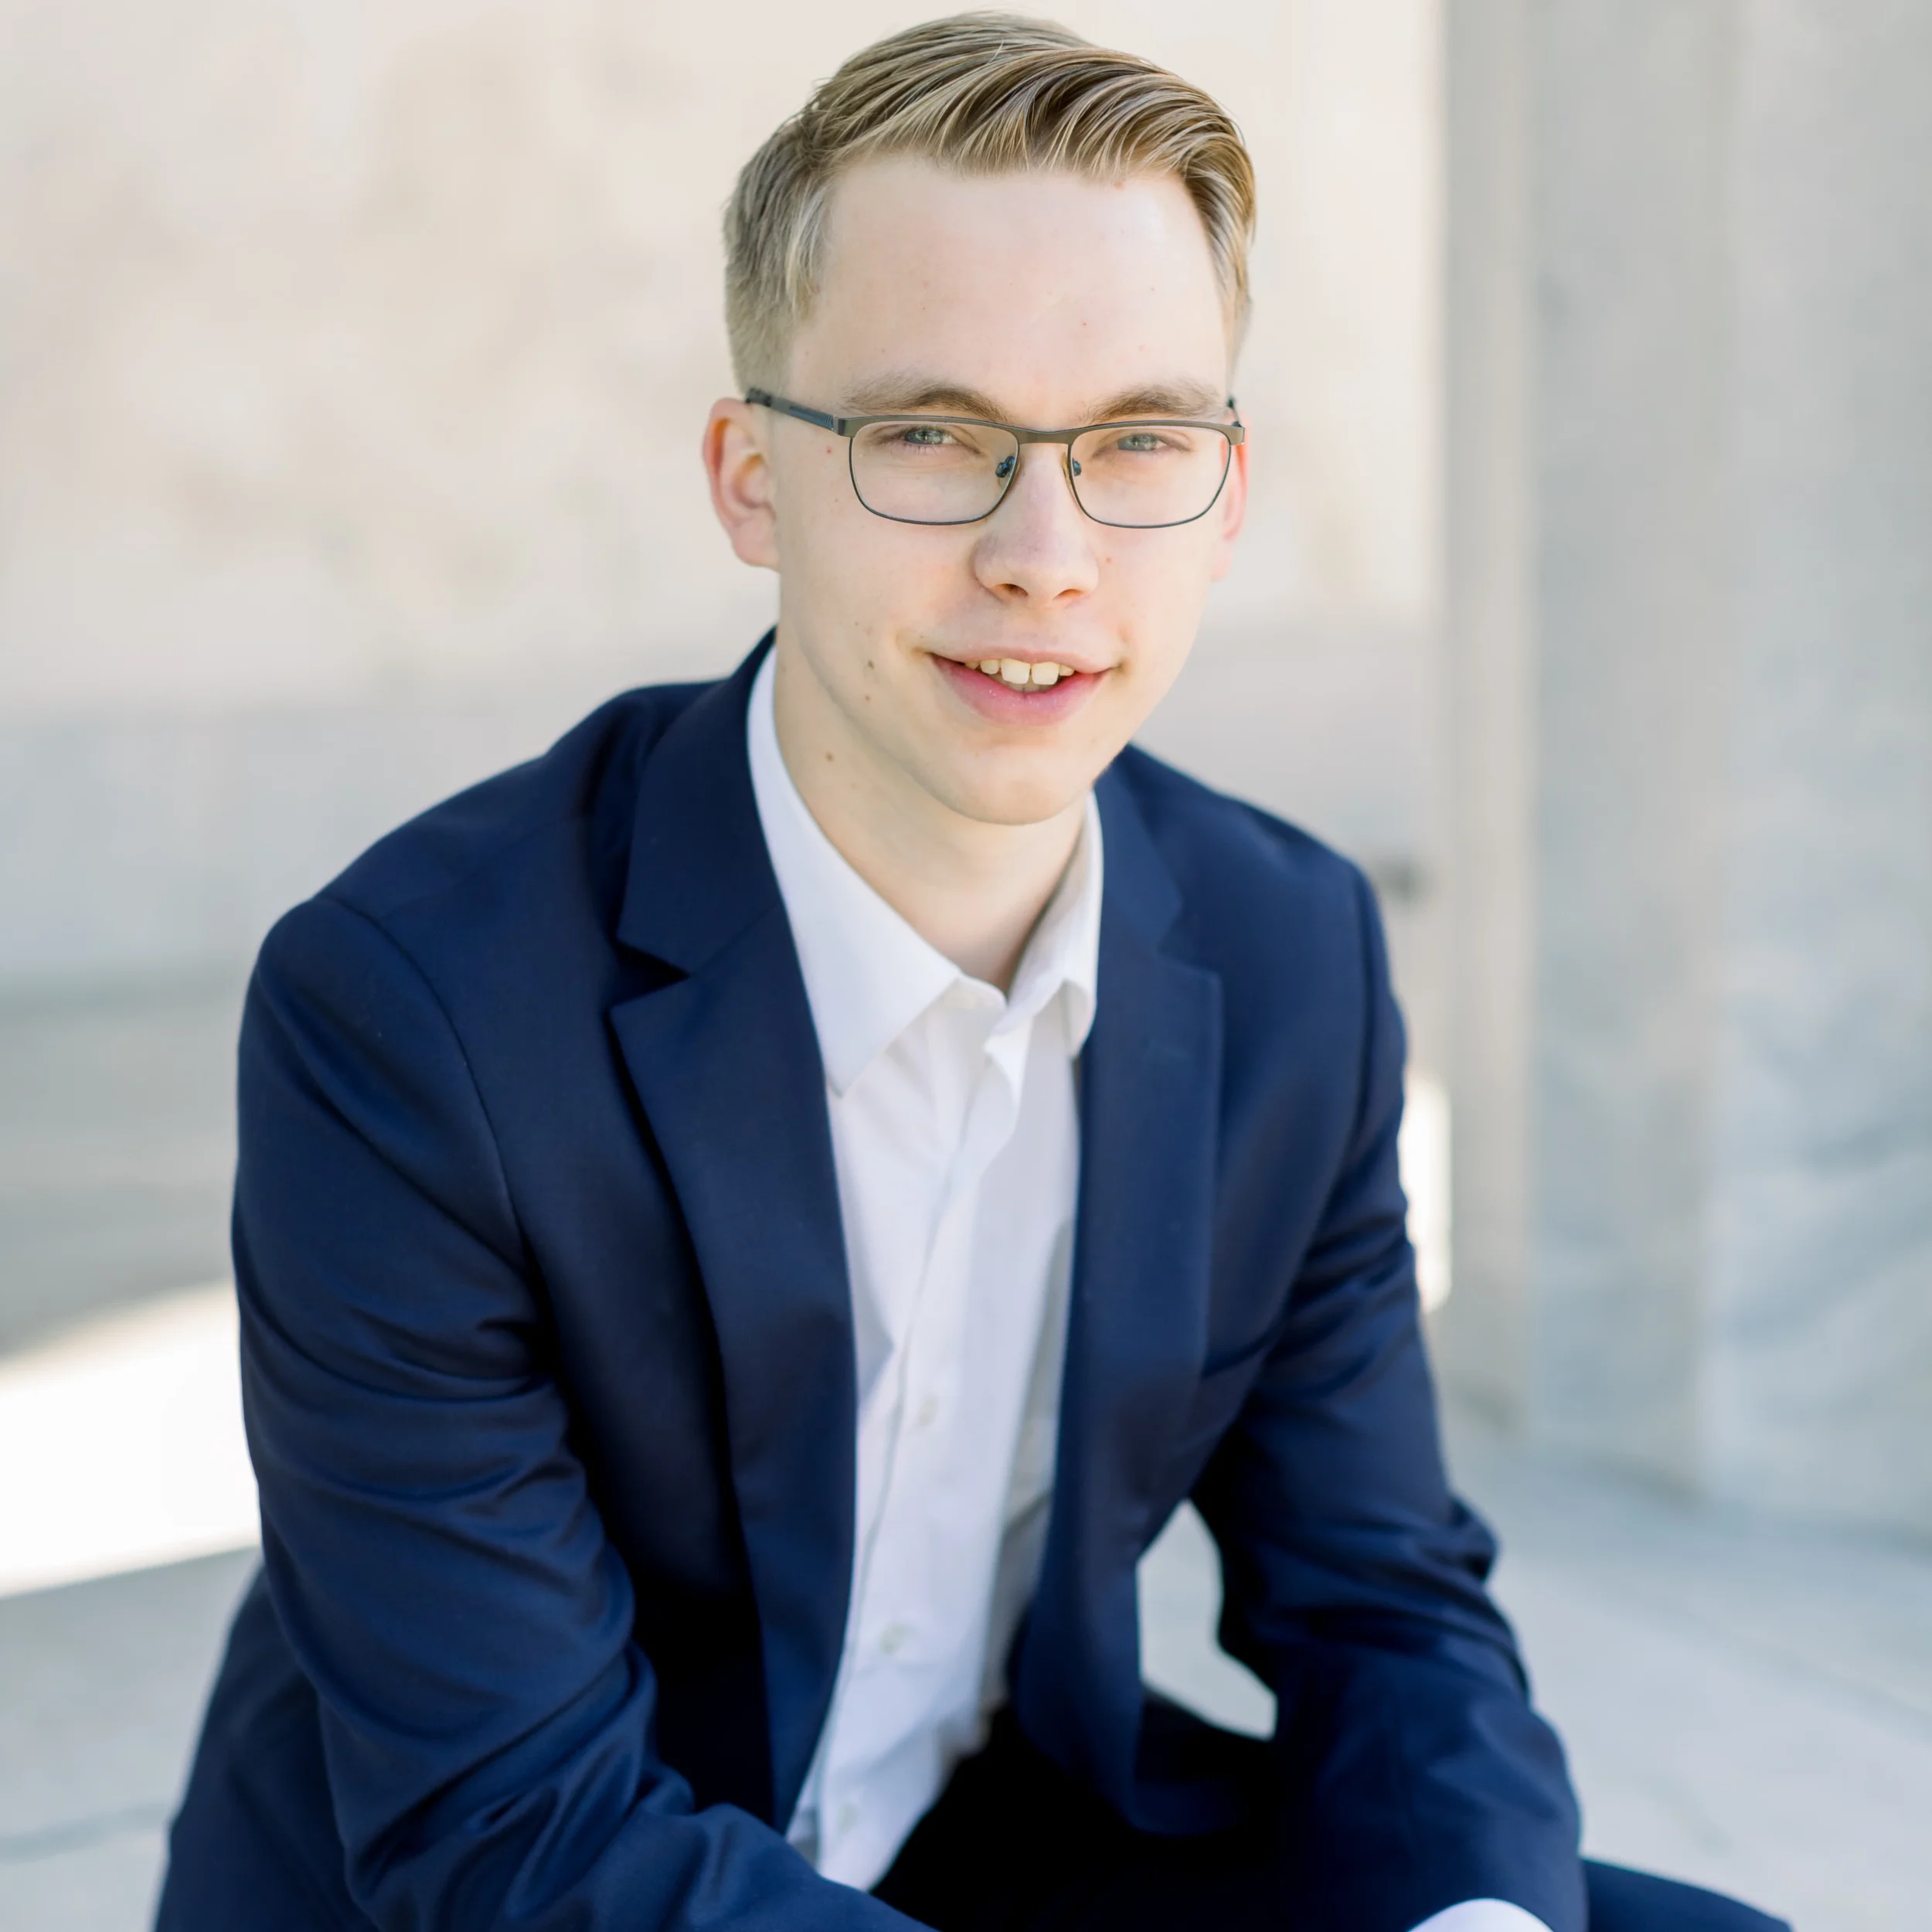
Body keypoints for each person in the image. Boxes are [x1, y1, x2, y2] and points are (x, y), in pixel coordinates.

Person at [158, 17, 1787, 1932]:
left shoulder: (1289, 957)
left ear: (1227, 489)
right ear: (752, 478)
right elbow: (513, 1828)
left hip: (986, 1836)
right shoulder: (415, 1010)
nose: (1046, 552)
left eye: (1137, 443)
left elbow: (1379, 1597)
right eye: (932, 436)